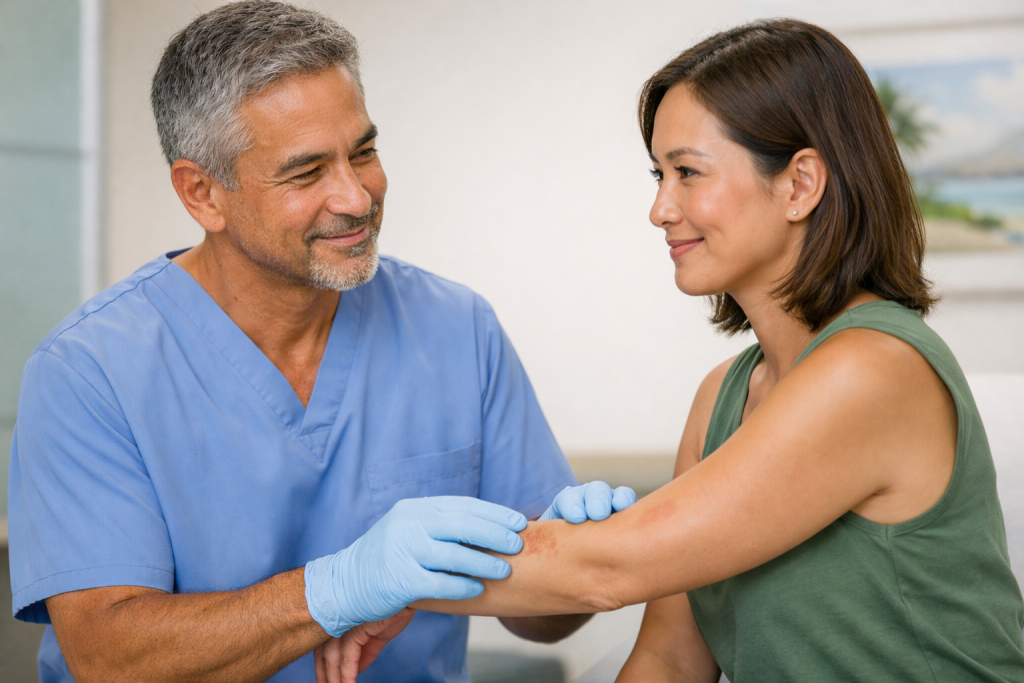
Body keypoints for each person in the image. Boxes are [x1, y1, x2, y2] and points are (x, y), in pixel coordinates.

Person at [371, 19, 1024, 683]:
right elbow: (671, 656)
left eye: (687, 172)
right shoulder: (722, 396)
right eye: (660, 174)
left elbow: (604, 570)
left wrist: (382, 580)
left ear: (800, 185)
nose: (659, 208)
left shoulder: (874, 369)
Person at [6, 3, 635, 682]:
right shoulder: (89, 371)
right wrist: (337, 588)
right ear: (202, 194)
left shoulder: (455, 327)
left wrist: (576, 552)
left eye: (363, 151)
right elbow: (109, 657)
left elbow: (543, 620)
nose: (357, 197)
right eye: (307, 173)